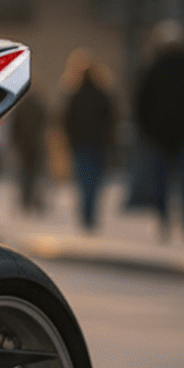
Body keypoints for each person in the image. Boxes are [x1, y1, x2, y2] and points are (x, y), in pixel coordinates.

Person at [134, 20, 184, 239]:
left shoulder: (152, 67)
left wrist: (146, 130)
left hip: (160, 135)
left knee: (160, 181)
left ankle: (164, 219)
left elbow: (141, 103)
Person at [61, 49, 116, 231]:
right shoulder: (102, 94)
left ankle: (86, 213)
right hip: (97, 144)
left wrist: (70, 140)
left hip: (81, 143)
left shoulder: (74, 95)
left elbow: (66, 121)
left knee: (83, 180)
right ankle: (90, 213)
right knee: (95, 180)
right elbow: (110, 119)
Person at [11, 89, 47, 213]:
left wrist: (15, 142)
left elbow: (15, 127)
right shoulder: (40, 107)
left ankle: (26, 198)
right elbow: (45, 125)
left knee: (24, 174)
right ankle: (33, 199)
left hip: (23, 146)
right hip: (36, 145)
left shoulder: (21, 107)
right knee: (35, 174)